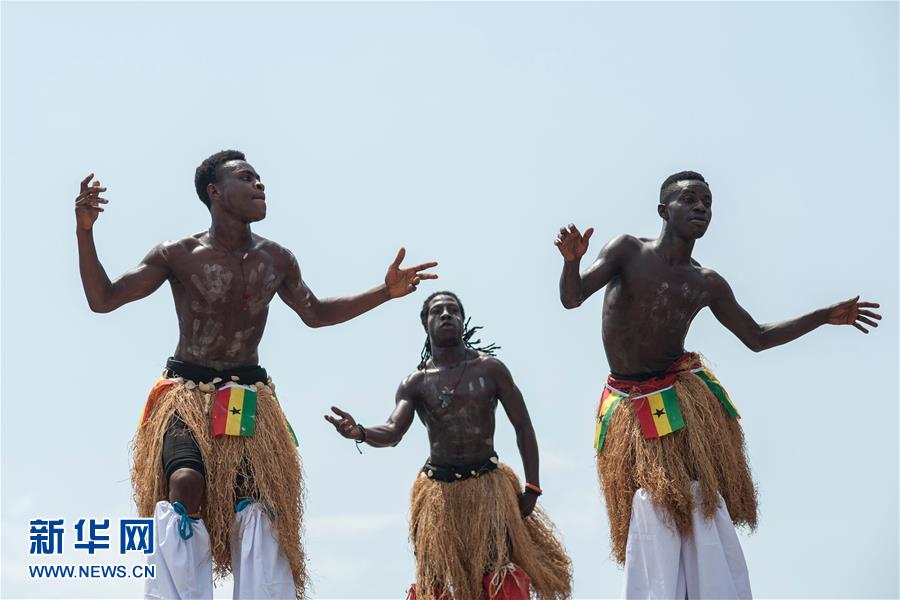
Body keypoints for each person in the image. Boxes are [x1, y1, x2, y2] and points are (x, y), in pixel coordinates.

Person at [74, 149, 438, 599]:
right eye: (247, 179)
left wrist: (385, 291)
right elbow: (103, 298)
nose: (259, 185)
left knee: (259, 509)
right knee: (184, 487)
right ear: (215, 193)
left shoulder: (276, 259)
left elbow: (317, 313)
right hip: (186, 393)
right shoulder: (178, 254)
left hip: (247, 398)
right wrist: (84, 232)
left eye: (260, 178)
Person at [555, 171, 881, 599]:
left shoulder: (705, 282)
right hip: (627, 402)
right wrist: (571, 262)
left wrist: (822, 316)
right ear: (662, 211)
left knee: (695, 500)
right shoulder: (627, 251)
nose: (701, 208)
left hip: (677, 395)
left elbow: (758, 337)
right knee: (652, 505)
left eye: (707, 202)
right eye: (689, 200)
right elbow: (572, 297)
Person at [325, 291, 572, 600]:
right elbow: (392, 431)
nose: (445, 315)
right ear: (425, 323)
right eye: (437, 311)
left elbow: (523, 426)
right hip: (439, 495)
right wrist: (360, 431)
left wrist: (532, 488)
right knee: (437, 585)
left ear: (462, 319)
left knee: (497, 574)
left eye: (453, 310)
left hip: (488, 490)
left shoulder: (490, 370)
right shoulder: (416, 383)